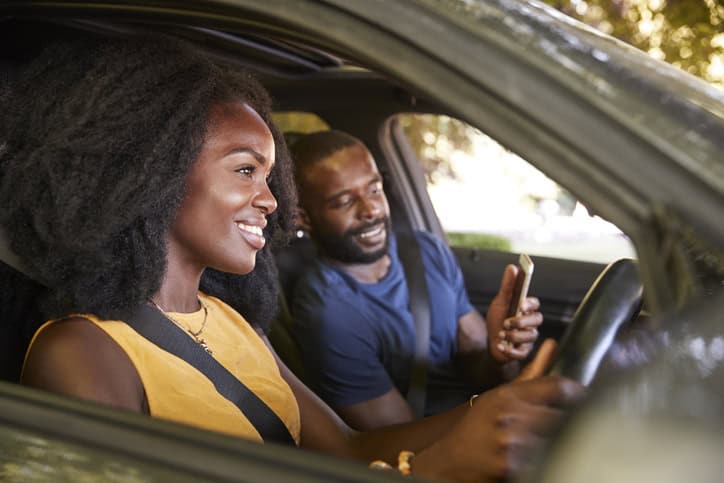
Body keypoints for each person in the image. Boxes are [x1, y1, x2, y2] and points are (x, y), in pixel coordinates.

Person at [1, 35, 582, 482]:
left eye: (270, 173)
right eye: (246, 170)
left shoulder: (226, 320)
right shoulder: (80, 354)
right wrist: (430, 471)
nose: (272, 199)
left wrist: (496, 411)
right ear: (155, 176)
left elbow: (350, 450)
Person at [290, 130, 543, 429]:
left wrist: (501, 355)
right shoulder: (329, 311)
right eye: (344, 201)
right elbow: (400, 439)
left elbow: (480, 366)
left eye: (374, 190)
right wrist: (508, 404)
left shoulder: (424, 250)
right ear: (303, 218)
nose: (371, 210)